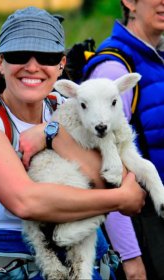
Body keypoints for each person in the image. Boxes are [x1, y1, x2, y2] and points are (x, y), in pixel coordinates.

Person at [0, 6, 146, 279]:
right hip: (9, 260)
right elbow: (26, 202)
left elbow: (116, 176)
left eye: (46, 56)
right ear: (0, 61)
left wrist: (50, 134)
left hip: (87, 251)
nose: (32, 66)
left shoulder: (71, 106)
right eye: (19, 55)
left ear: (61, 65)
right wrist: (118, 199)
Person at [83, 0, 164, 279]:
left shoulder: (156, 57)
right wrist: (131, 260)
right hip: (145, 229)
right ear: (129, 2)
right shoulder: (114, 70)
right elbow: (105, 170)